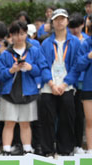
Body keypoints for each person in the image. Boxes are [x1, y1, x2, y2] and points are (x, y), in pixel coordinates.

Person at [0, 21, 44, 156]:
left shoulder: (33, 50)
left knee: (25, 123)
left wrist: (31, 68)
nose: (19, 37)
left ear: (26, 34)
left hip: (28, 92)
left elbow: (41, 69)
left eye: (22, 34)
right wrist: (10, 70)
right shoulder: (6, 54)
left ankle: (27, 149)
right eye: (16, 34)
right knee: (9, 123)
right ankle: (6, 150)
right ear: (11, 35)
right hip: (9, 93)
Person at [39, 8, 81, 156]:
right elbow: (43, 64)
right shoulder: (45, 43)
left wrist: (64, 84)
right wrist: (51, 83)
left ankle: (65, 150)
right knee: (47, 120)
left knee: (67, 119)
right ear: (52, 22)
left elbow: (76, 66)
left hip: (66, 86)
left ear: (67, 21)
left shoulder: (75, 42)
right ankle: (47, 150)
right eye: (56, 19)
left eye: (62, 19)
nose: (59, 22)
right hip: (48, 86)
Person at [75, 33, 92, 153]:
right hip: (88, 86)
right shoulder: (86, 44)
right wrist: (89, 56)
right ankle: (90, 149)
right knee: (90, 120)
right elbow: (78, 65)